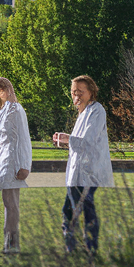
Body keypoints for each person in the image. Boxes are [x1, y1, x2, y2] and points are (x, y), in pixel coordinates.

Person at [53, 75, 114, 252]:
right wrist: (66, 139)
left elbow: (87, 141)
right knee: (85, 208)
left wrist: (67, 139)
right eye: (73, 92)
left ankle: (75, 248)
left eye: (80, 92)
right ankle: (87, 248)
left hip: (89, 172)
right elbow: (78, 142)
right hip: (81, 172)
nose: (76, 95)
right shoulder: (83, 113)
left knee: (69, 210)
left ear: (91, 92)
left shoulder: (97, 110)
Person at [0, 76, 32, 253]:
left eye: (4, 88)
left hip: (15, 162)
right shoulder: (0, 113)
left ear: (10, 89)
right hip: (3, 161)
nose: (2, 92)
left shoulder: (17, 110)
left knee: (12, 204)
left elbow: (24, 138)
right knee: (7, 202)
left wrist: (25, 165)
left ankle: (12, 243)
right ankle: (9, 241)